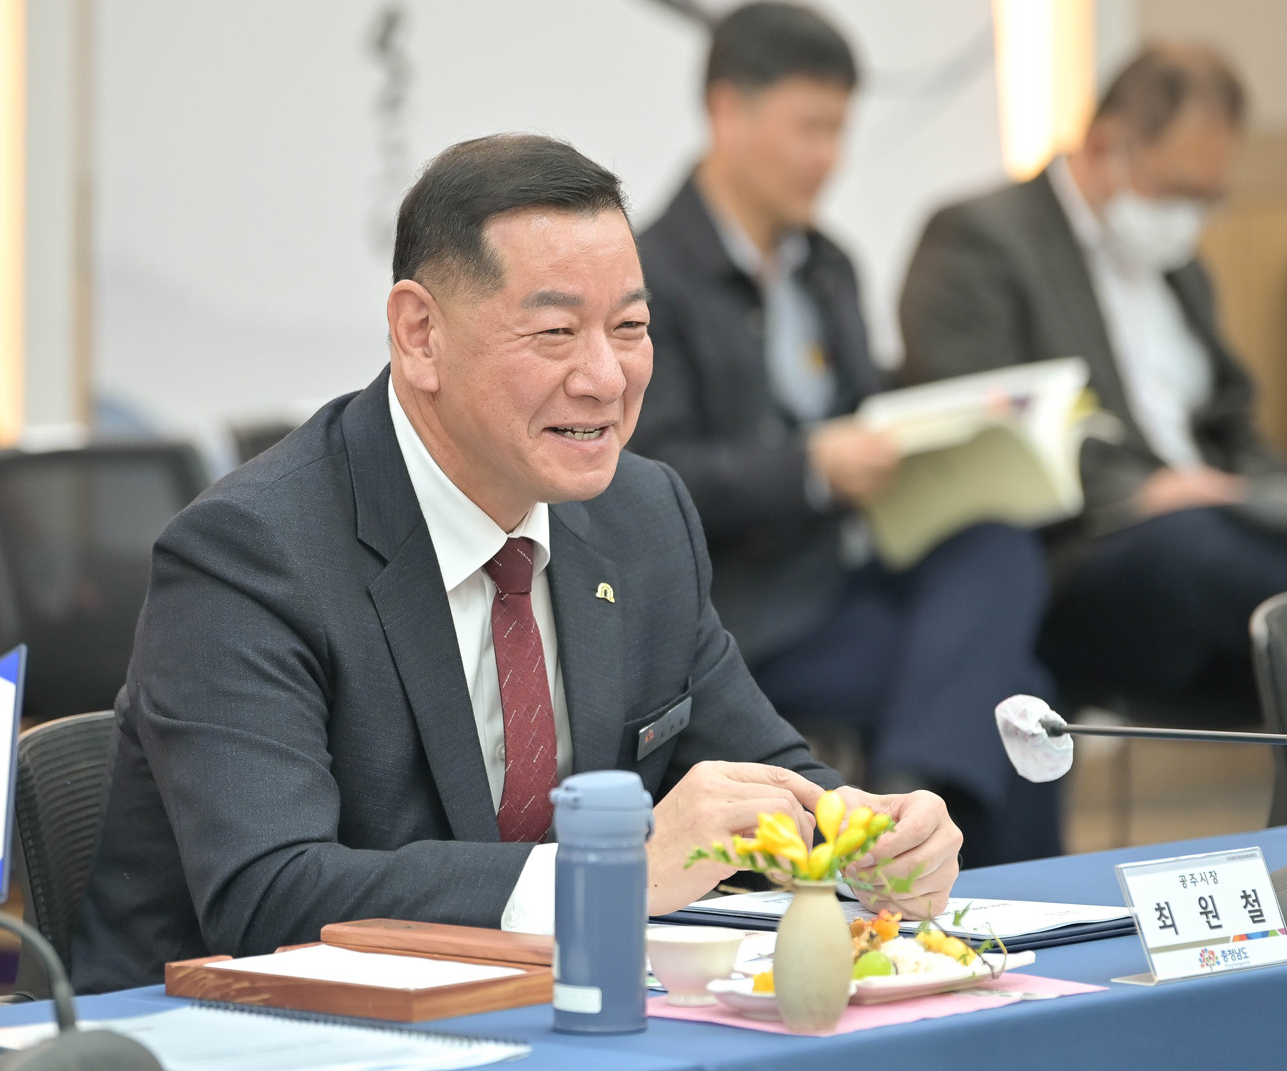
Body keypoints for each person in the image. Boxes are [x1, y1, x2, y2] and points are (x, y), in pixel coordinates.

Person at [71, 134, 962, 993]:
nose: (606, 378)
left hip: (555, 1021)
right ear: (420, 334)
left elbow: (766, 774)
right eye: (556, 332)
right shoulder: (250, 554)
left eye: (630, 327)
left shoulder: (642, 515)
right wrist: (610, 875)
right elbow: (270, 895)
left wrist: (869, 838)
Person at [630, 1, 1059, 868]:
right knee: (1019, 703)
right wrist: (809, 470)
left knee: (1001, 550)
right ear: (727, 111)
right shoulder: (651, 276)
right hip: (748, 614)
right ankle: (932, 846)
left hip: (852, 575)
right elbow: (646, 476)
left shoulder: (828, 268)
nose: (828, 156)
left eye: (840, 131)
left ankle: (908, 799)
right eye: (810, 128)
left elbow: (866, 410)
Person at [899, 44, 1287, 713]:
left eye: (1209, 197)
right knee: (1245, 574)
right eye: (1177, 190)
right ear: (1106, 146)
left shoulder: (1178, 265)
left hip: (1211, 532)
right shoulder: (982, 237)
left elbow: (1230, 419)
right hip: (1082, 553)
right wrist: (1143, 492)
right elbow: (986, 430)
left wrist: (1278, 500)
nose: (1189, 217)